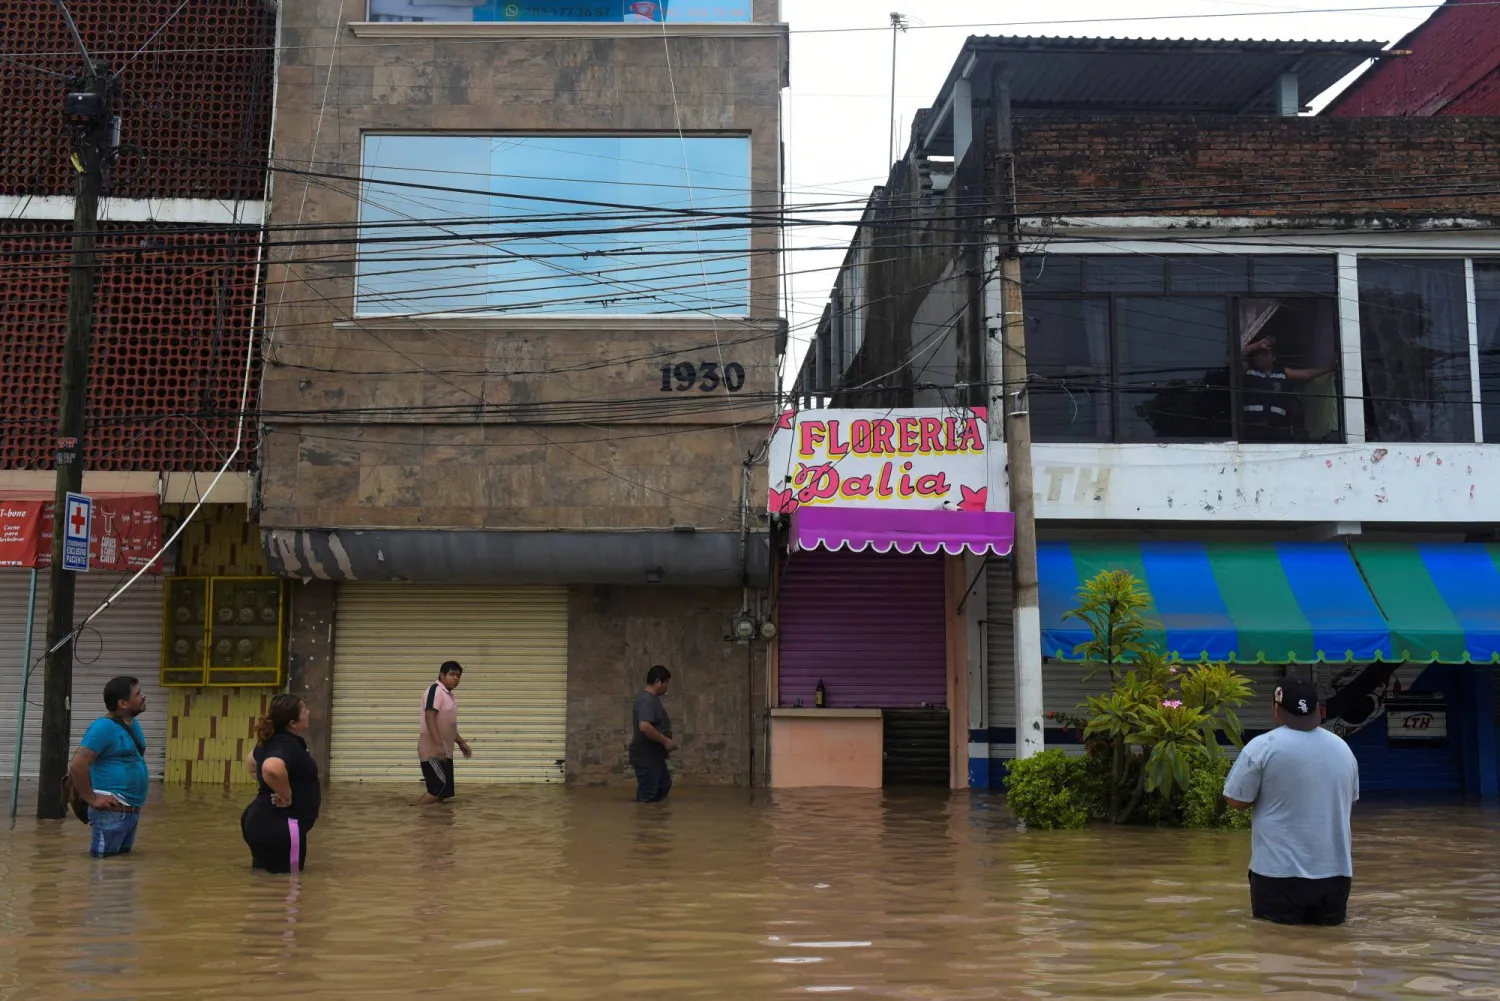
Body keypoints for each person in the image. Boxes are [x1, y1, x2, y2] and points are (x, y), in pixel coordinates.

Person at [1224, 676, 1360, 926]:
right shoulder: (1344, 750)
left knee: (1276, 951)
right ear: (1319, 711)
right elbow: (1348, 800)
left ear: (1277, 710)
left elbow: (1235, 801)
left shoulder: (1261, 747)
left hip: (1278, 876)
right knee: (1333, 952)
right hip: (1335, 876)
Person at [68, 676, 150, 858]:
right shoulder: (103, 728)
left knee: (119, 871)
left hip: (130, 811)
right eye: (138, 694)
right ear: (123, 703)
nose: (144, 696)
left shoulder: (132, 724)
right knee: (103, 871)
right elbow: (77, 765)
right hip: (111, 812)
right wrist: (91, 799)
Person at [241, 694, 321, 874]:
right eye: (303, 710)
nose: (308, 712)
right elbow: (271, 768)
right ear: (293, 723)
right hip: (283, 824)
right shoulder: (287, 745)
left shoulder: (272, 740)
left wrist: (270, 786)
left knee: (265, 883)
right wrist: (286, 795)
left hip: (259, 820)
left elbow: (252, 764)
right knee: (291, 886)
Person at [1240, 335, 1334, 442]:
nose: (1261, 357)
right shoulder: (1248, 370)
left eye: (1265, 354)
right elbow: (1236, 356)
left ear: (1274, 358)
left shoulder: (1281, 372)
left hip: (1277, 429)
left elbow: (1305, 374)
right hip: (1253, 429)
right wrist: (1256, 346)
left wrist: (1328, 369)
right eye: (1258, 354)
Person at [418, 661, 471, 805]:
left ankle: (438, 825)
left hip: (444, 752)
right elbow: (430, 717)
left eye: (458, 676)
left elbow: (448, 726)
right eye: (452, 674)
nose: (456, 678)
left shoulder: (449, 696)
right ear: (442, 675)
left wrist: (460, 742)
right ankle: (414, 815)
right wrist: (438, 746)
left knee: (443, 792)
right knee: (436, 790)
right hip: (433, 752)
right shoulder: (435, 690)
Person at [629, 665, 677, 803]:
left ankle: (655, 821)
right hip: (646, 757)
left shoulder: (652, 699)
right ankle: (645, 821)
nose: (667, 687)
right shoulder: (646, 700)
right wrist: (665, 741)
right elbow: (644, 726)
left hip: (654, 757)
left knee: (663, 785)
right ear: (657, 682)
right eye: (666, 682)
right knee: (648, 795)